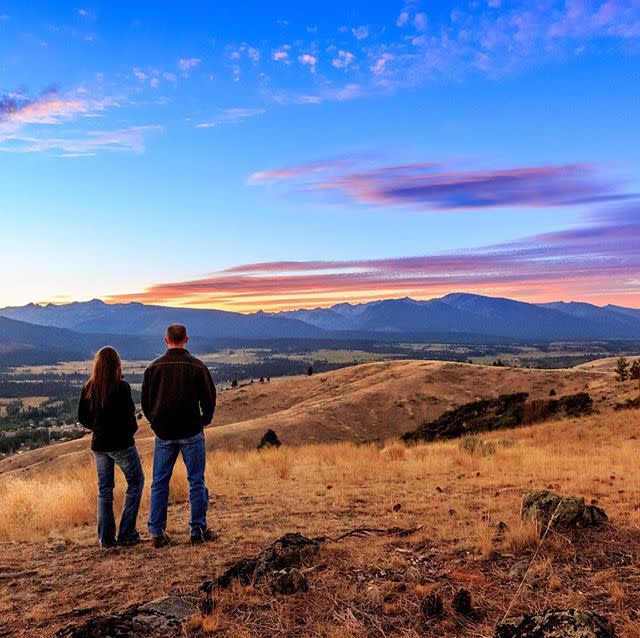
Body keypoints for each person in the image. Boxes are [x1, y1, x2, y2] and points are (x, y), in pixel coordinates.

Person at [142, 324, 217, 547]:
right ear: (186, 339)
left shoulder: (153, 368)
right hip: (192, 431)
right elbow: (209, 399)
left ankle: (156, 532)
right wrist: (204, 421)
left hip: (164, 433)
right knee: (196, 481)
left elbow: (146, 403)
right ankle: (197, 530)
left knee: (159, 483)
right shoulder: (197, 366)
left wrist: (155, 423)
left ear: (166, 340)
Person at [78, 346, 144, 549]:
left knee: (104, 489)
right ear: (116, 365)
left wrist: (98, 429)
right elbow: (129, 417)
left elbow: (83, 418)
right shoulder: (121, 387)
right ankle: (126, 533)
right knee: (136, 481)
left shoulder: (89, 387)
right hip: (121, 443)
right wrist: (128, 433)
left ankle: (105, 539)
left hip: (99, 444)